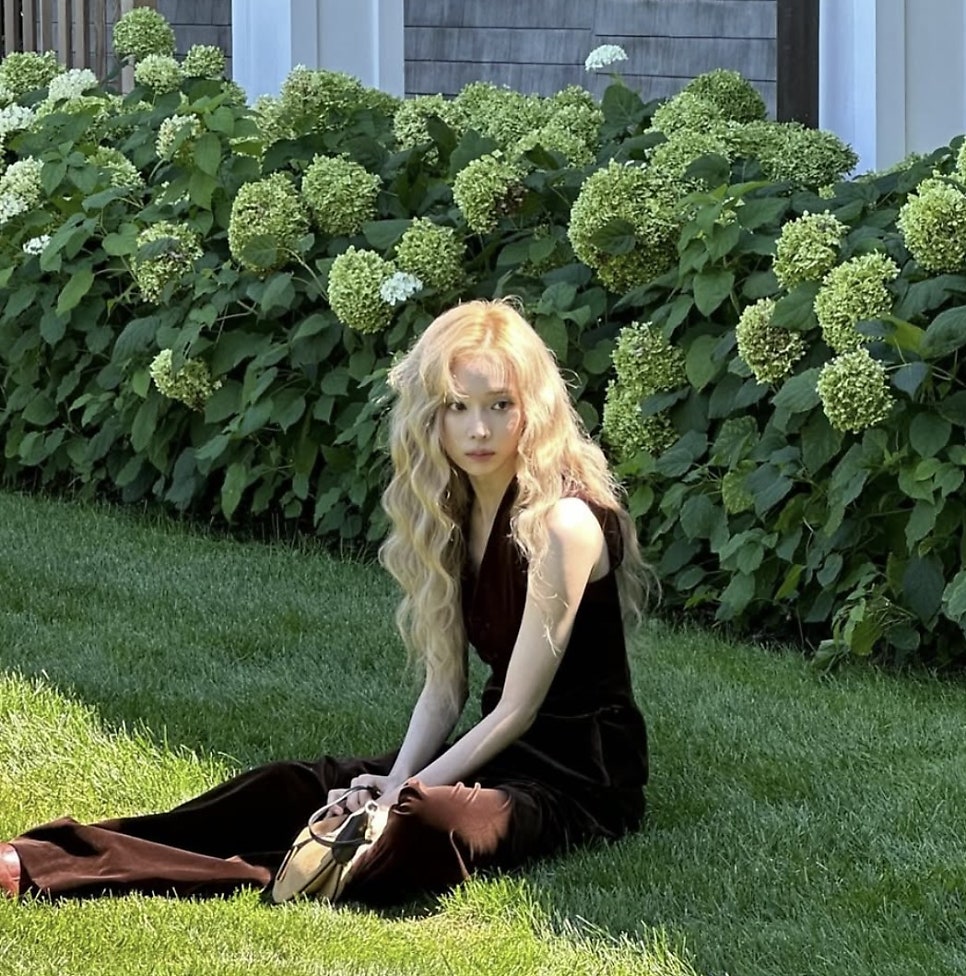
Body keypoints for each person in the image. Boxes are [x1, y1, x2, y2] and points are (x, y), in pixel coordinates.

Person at [0, 299, 649, 905]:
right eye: (458, 406)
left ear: (533, 408)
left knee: (416, 823)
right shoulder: (451, 511)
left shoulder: (563, 523)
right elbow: (445, 690)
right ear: (431, 413)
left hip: (578, 781)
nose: (479, 429)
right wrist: (395, 775)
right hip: (497, 753)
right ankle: (43, 857)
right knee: (297, 787)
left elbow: (516, 709)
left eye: (500, 405)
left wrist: (400, 792)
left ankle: (286, 866)